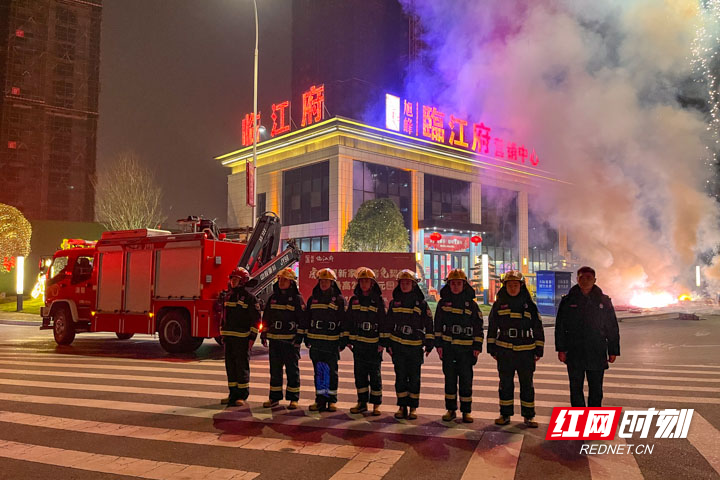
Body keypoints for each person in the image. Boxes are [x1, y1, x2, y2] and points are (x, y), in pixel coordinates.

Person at [555, 266, 620, 407]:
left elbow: (612, 327)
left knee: (596, 389)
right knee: (575, 388)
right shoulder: (568, 301)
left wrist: (613, 350)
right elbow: (560, 326)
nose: (585, 281)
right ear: (577, 279)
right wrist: (561, 349)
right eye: (582, 278)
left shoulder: (603, 301)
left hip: (597, 350)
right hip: (574, 351)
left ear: (595, 280)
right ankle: (579, 416)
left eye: (589, 278)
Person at [487, 270, 544, 427]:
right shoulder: (499, 305)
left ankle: (529, 416)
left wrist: (539, 349)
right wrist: (492, 348)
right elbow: (492, 327)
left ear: (521, 286)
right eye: (510, 285)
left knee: (527, 384)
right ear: (505, 287)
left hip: (526, 351)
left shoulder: (529, 306)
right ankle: (505, 414)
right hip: (505, 351)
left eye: (515, 285)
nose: (513, 288)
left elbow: (538, 328)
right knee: (505, 384)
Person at [434, 269, 484, 423]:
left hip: (466, 350)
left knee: (466, 381)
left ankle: (466, 411)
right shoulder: (443, 303)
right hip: (448, 349)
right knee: (449, 381)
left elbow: (478, 327)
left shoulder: (472, 305)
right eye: (453, 283)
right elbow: (437, 325)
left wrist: (477, 346)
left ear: (464, 285)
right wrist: (438, 345)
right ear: (448, 285)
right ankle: (450, 410)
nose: (455, 286)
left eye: (458, 283)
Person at [386, 269, 434, 420]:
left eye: (408, 283)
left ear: (413, 285)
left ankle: (413, 408)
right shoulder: (394, 303)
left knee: (414, 378)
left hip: (415, 346)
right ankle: (402, 407)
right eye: (402, 283)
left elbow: (429, 324)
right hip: (398, 346)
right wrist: (388, 344)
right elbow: (388, 324)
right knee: (400, 377)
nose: (405, 285)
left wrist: (429, 344)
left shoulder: (422, 304)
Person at [297, 267, 346, 412]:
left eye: (326, 281)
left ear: (332, 283)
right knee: (319, 372)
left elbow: (344, 321)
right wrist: (306, 337)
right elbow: (307, 319)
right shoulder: (313, 299)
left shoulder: (339, 300)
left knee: (331, 372)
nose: (323, 283)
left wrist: (342, 341)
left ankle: (332, 400)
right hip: (316, 342)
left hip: (332, 342)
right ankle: (320, 400)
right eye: (321, 281)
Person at [343, 267, 387, 416]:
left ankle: (376, 404)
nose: (363, 284)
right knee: (360, 375)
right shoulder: (354, 300)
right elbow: (348, 320)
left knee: (375, 375)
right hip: (358, 345)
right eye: (361, 281)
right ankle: (361, 403)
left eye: (366, 281)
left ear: (372, 283)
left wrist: (382, 343)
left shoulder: (378, 301)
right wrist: (348, 340)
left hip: (373, 345)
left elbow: (383, 322)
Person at [260, 267, 304, 410]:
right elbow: (266, 317)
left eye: (285, 280)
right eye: (280, 280)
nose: (281, 282)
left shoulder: (297, 299)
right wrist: (264, 334)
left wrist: (299, 339)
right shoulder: (273, 298)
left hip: (290, 341)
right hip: (275, 341)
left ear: (291, 282)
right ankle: (274, 397)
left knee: (292, 371)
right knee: (275, 371)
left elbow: (302, 321)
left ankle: (293, 399)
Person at [219, 267, 261, 407]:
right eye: (232, 279)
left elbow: (256, 320)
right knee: (230, 367)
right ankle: (232, 394)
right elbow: (223, 317)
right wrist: (222, 333)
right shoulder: (228, 296)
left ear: (243, 281)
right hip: (229, 338)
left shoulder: (249, 298)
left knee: (241, 367)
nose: (233, 282)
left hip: (242, 339)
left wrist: (252, 338)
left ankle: (242, 395)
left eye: (236, 279)